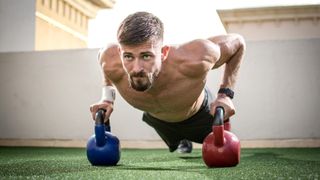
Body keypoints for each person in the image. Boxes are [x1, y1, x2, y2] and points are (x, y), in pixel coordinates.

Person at [90, 11, 245, 153]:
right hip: (159, 122)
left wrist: (226, 94)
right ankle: (181, 140)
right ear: (119, 53)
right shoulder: (109, 58)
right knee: (177, 146)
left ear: (163, 53)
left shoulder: (196, 57)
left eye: (146, 56)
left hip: (200, 116)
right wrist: (107, 98)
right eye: (128, 56)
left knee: (221, 153)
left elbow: (238, 43)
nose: (136, 68)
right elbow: (103, 61)